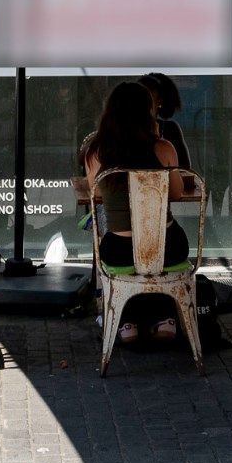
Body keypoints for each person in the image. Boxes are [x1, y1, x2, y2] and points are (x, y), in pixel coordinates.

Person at [81, 80, 191, 345]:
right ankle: (166, 319)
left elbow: (95, 193)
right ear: (148, 112)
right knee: (156, 260)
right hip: (168, 246)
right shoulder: (164, 148)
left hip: (119, 248)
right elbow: (176, 193)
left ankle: (126, 323)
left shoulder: (95, 152)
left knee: (126, 265)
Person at [138, 72, 191, 171]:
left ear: (159, 101)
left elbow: (184, 170)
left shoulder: (170, 129)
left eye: (148, 100)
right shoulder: (122, 130)